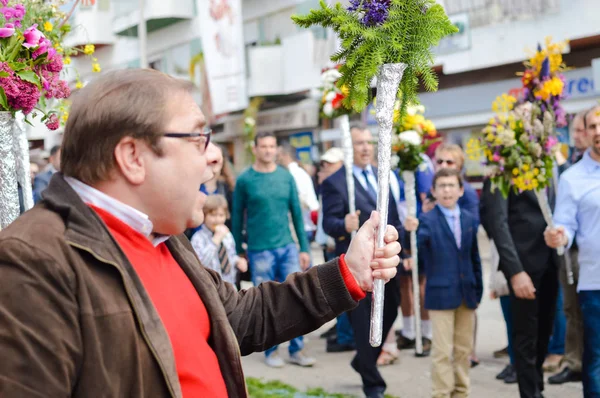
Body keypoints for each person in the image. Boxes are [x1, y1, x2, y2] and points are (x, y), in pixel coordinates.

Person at [0, 69, 402, 398]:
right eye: (196, 137)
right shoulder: (31, 261)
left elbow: (244, 318)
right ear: (133, 157)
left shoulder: (165, 237)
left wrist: (349, 271)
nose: (214, 155)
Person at [321, 123, 404, 398]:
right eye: (359, 143)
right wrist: (344, 224)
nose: (366, 148)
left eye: (369, 142)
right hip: (356, 266)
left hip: (386, 262)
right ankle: (373, 383)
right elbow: (329, 223)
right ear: (349, 147)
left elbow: (393, 215)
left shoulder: (382, 176)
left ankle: (363, 361)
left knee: (391, 309)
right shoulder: (335, 183)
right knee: (362, 322)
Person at [232, 131, 314, 368]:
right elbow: (237, 217)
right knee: (266, 302)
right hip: (259, 250)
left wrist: (304, 247)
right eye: (263, 146)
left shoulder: (285, 177)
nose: (268, 150)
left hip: (287, 246)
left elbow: (297, 214)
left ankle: (297, 350)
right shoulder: (245, 180)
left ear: (277, 149)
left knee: (297, 297)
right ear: (255, 149)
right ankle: (271, 351)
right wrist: (238, 250)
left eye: (272, 146)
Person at [481, 151, 559, 398]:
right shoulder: (500, 170)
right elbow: (497, 223)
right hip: (523, 268)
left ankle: (538, 388)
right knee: (525, 339)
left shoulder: (547, 164)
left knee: (544, 333)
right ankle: (529, 393)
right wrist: (515, 272)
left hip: (552, 263)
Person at [405, 168, 482, 398]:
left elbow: (474, 256)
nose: (447, 190)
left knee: (463, 349)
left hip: (466, 293)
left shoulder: (469, 219)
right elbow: (417, 249)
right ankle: (441, 393)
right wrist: (410, 231)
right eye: (442, 186)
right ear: (434, 191)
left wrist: (477, 288)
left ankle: (461, 391)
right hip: (440, 295)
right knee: (441, 351)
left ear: (460, 190)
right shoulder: (426, 221)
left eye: (451, 186)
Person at [544, 105, 600, 397]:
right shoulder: (572, 178)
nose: (598, 131)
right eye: (592, 126)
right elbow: (565, 224)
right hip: (594, 283)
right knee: (595, 360)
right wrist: (559, 236)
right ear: (586, 132)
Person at [190, 194, 247, 287]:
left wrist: (238, 261)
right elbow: (199, 264)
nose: (217, 219)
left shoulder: (227, 234)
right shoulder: (198, 238)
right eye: (213, 215)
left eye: (221, 215)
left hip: (229, 284)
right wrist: (215, 241)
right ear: (204, 215)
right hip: (210, 286)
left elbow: (231, 255)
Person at [277, 142, 320, 244]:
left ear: (285, 156)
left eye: (278, 156)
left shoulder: (292, 174)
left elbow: (301, 200)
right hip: (304, 225)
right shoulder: (298, 172)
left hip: (301, 226)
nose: (277, 159)